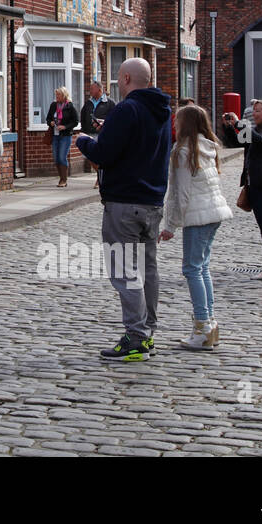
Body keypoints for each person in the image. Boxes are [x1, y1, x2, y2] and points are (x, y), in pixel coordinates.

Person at [75, 58, 172, 362]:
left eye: (118, 77)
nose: (117, 82)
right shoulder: (164, 111)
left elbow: (104, 154)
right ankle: (148, 331)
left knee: (125, 270)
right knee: (148, 270)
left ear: (127, 77)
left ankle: (136, 336)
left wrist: (83, 141)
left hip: (124, 202)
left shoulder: (126, 109)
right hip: (153, 201)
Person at [158, 104, 232, 350]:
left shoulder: (183, 151)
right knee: (202, 268)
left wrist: (169, 225)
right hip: (214, 213)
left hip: (198, 216)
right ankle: (209, 324)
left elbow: (180, 194)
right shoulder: (207, 146)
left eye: (176, 121)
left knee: (192, 269)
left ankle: (201, 326)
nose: (174, 125)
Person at [221, 99, 262, 279]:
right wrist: (228, 126)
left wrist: (239, 124)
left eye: (258, 111)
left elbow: (260, 140)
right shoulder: (255, 130)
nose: (254, 113)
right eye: (254, 110)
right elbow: (236, 142)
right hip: (255, 184)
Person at [79, 80, 115, 188]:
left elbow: (115, 117)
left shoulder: (109, 102)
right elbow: (83, 115)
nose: (90, 91)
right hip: (89, 132)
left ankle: (101, 177)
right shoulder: (88, 103)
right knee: (89, 156)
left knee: (99, 155)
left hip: (102, 133)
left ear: (99, 90)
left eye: (92, 89)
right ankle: (101, 174)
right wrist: (83, 130)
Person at [46, 86, 79, 187]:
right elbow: (48, 118)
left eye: (58, 95)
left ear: (64, 96)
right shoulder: (53, 105)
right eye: (56, 95)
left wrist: (65, 127)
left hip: (65, 135)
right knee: (56, 158)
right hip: (55, 135)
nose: (56, 97)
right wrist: (50, 122)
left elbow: (75, 121)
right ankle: (61, 178)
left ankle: (64, 180)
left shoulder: (70, 106)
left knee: (61, 156)